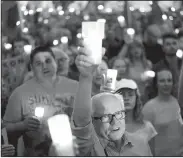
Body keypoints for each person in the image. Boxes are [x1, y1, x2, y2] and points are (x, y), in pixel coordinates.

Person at [71, 44, 153, 156]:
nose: (114, 122)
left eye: (119, 114)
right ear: (94, 120)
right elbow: (81, 122)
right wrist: (85, 77)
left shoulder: (140, 143)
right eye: (106, 117)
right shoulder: (93, 147)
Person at [3, 45, 78, 156]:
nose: (44, 66)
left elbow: (89, 119)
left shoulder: (75, 86)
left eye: (48, 61)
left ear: (55, 63)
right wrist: (23, 125)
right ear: (32, 68)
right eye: (38, 63)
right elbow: (5, 128)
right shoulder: (20, 93)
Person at [142, 68, 183, 156]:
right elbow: (145, 140)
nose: (166, 84)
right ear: (156, 84)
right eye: (162, 81)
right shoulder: (149, 107)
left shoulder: (178, 103)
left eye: (169, 80)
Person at [115, 79, 157, 155]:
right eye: (122, 95)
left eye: (130, 94)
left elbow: (153, 154)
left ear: (136, 98)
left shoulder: (148, 127)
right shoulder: (111, 128)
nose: (126, 98)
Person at [153, 33, 181, 98]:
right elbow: (154, 89)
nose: (172, 46)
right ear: (163, 48)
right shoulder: (158, 67)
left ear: (178, 45)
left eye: (174, 43)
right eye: (168, 44)